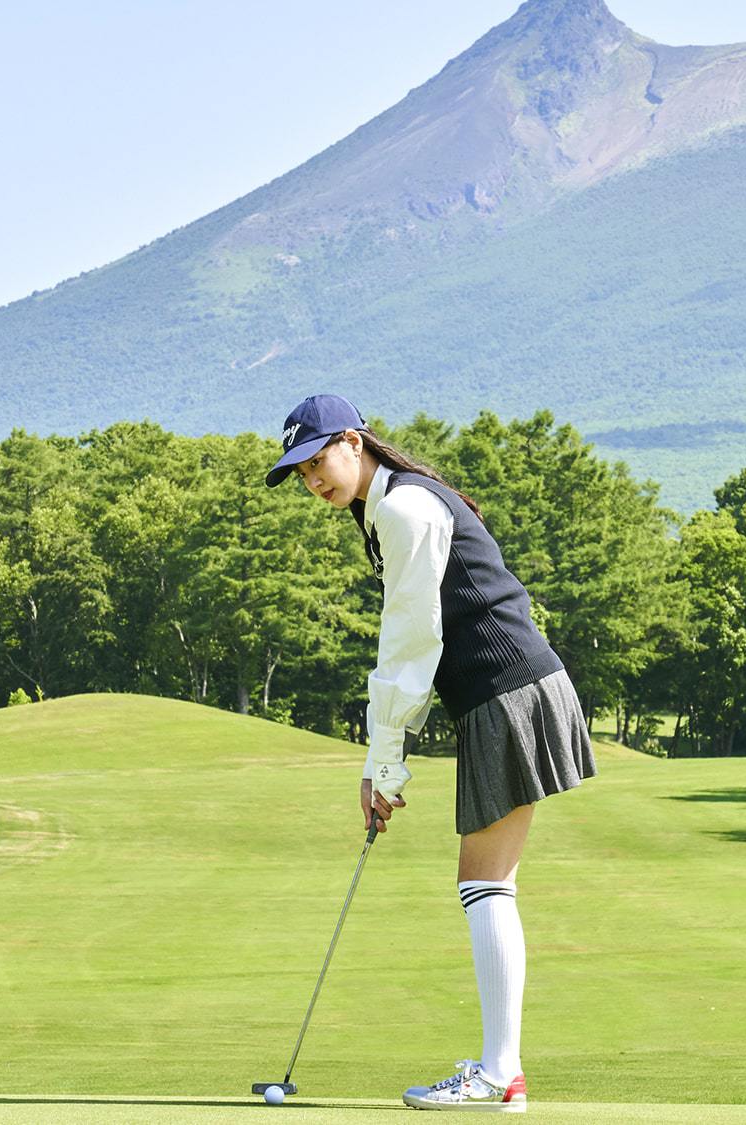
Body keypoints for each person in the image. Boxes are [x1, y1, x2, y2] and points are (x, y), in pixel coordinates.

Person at [265, 393, 596, 1113]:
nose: (313, 480)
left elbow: (411, 642)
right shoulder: (395, 504)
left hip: (507, 692)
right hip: (512, 689)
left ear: (353, 443)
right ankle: (500, 1071)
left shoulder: (405, 509)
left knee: (485, 884)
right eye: (301, 472)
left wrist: (382, 764)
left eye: (318, 460)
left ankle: (499, 1072)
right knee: (487, 883)